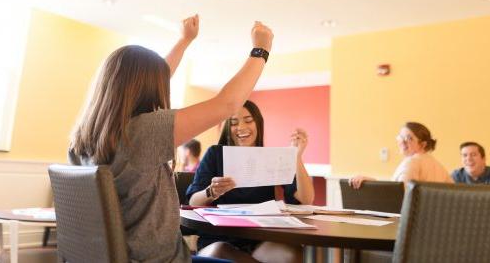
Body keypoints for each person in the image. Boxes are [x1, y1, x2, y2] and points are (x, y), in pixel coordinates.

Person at [68, 14, 273, 263]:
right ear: (148, 88)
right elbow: (227, 104)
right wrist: (261, 50)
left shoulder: (85, 138)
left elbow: (155, 76)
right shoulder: (143, 131)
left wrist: (184, 41)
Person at [186, 100, 314, 263]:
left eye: (248, 120)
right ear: (227, 128)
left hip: (259, 240)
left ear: (258, 124)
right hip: (219, 239)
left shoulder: (270, 158)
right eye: (233, 123)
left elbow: (306, 199)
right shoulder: (215, 154)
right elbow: (193, 200)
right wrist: (211, 191)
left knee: (291, 252)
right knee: (220, 252)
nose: (241, 127)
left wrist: (297, 156)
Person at [349, 122, 452, 189]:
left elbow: (399, 193)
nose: (402, 142)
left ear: (423, 144)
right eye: (401, 137)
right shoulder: (439, 166)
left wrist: (371, 184)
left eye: (409, 138)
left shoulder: (412, 162)